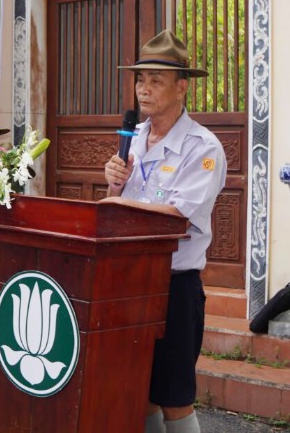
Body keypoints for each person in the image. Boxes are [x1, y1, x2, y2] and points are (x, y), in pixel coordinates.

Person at [103, 30, 226, 433]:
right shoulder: (134, 137)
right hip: (128, 282)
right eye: (140, 79)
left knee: (174, 398)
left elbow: (175, 216)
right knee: (139, 392)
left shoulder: (202, 147)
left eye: (156, 80)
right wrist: (113, 184)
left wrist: (119, 203)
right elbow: (115, 208)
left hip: (174, 286)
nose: (144, 89)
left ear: (182, 88)